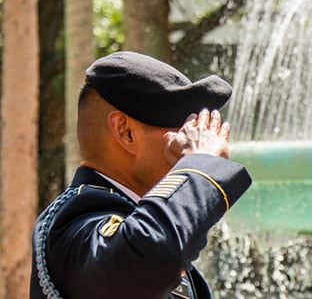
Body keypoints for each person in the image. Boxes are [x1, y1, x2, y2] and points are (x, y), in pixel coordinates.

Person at [29, 51, 252, 298]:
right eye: (184, 126)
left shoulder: (139, 222)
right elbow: (150, 256)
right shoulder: (75, 224)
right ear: (126, 132)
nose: (194, 136)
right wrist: (197, 164)